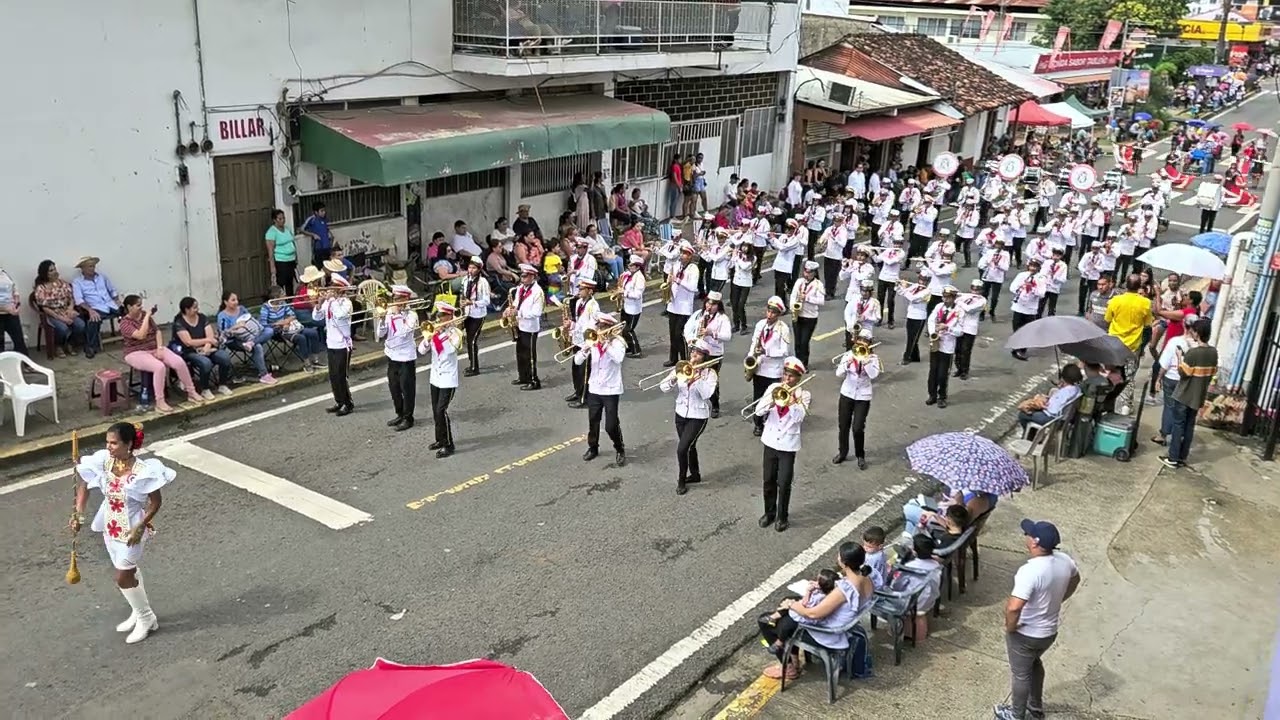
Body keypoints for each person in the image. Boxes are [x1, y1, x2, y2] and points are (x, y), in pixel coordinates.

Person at [70, 422, 176, 644]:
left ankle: (147, 618)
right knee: (129, 572)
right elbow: (83, 485)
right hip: (110, 527)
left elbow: (155, 502)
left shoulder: (144, 471)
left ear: (129, 445)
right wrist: (79, 514)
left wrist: (141, 526)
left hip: (131, 530)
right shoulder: (104, 462)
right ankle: (138, 612)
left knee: (122, 576)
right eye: (107, 442)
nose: (109, 447)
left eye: (114, 443)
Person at [994, 520, 1081, 720]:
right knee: (1034, 664)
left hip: (1026, 633)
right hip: (1049, 632)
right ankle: (1035, 707)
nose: (1026, 536)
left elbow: (1014, 607)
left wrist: (1010, 627)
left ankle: (1016, 715)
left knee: (1020, 674)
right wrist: (1060, 598)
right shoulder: (1064, 560)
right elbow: (1075, 579)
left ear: (1034, 542)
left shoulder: (1030, 571)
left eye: (1028, 534)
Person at [756, 543, 871, 680]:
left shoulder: (844, 590)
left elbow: (813, 614)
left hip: (827, 633)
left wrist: (792, 605)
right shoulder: (866, 578)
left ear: (844, 563)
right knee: (791, 605)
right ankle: (794, 660)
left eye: (839, 556)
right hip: (844, 623)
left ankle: (789, 667)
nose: (838, 558)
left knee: (768, 621)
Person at [119, 294, 202, 413]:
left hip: (153, 347)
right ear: (129, 307)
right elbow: (140, 335)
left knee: (179, 362)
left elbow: (157, 331)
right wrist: (147, 316)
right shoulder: (125, 323)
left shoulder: (144, 316)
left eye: (141, 305)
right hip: (136, 352)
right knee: (159, 367)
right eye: (138, 306)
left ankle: (191, 392)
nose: (141, 308)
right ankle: (160, 401)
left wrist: (159, 348)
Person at [754, 357, 810, 532]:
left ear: (798, 378)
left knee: (784, 482)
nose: (787, 379)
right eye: (785, 374)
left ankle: (782, 517)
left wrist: (791, 401)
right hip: (770, 441)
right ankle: (769, 513)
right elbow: (758, 411)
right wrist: (771, 400)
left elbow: (799, 418)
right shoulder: (773, 388)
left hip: (788, 444)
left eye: (791, 376)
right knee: (768, 480)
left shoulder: (803, 395)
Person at [660, 338, 718, 494]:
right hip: (680, 413)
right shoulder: (682, 367)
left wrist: (696, 379)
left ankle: (681, 480)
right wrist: (672, 380)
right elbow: (663, 387)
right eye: (693, 352)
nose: (694, 356)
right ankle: (695, 474)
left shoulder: (709, 374)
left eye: (698, 354)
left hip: (698, 416)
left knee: (682, 449)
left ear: (704, 357)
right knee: (689, 446)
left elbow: (707, 394)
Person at [1162, 319, 1217, 468]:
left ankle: (1173, 457)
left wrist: (1180, 357)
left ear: (1197, 333)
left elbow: (1183, 373)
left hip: (1185, 393)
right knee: (1189, 426)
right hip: (1198, 395)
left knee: (1178, 425)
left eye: (1193, 331)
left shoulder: (1193, 353)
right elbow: (1212, 372)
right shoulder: (1213, 352)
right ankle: (1182, 456)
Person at [575, 314, 627, 466]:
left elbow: (619, 359)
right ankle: (593, 447)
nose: (599, 329)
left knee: (611, 425)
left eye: (603, 327)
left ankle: (619, 448)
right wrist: (585, 350)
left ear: (610, 328)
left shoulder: (618, 343)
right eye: (598, 326)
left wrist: (606, 345)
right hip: (595, 388)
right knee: (593, 420)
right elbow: (577, 361)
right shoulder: (592, 341)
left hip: (611, 390)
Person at [419, 301, 464, 457]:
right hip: (435, 377)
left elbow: (450, 350)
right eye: (438, 315)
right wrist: (428, 338)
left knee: (441, 411)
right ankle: (439, 439)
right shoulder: (435, 332)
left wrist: (438, 336)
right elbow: (421, 350)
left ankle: (448, 444)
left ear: (449, 316)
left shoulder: (456, 333)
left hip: (448, 379)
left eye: (442, 316)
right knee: (435, 411)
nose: (438, 318)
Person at [833, 328, 880, 469]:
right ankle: (843, 452)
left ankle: (860, 455)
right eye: (860, 339)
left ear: (869, 343)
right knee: (843, 425)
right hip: (847, 393)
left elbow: (873, 375)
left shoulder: (873, 359)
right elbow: (838, 374)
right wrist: (848, 364)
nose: (862, 342)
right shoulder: (848, 355)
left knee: (858, 427)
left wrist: (865, 362)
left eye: (865, 341)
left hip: (863, 396)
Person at [747, 297, 792, 437]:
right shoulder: (760, 325)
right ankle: (758, 423)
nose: (769, 315)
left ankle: (769, 421)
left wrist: (767, 352)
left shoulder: (783, 329)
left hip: (774, 371)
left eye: (773, 313)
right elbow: (754, 343)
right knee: (758, 397)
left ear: (778, 314)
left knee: (770, 398)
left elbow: (785, 351)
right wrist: (750, 358)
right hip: (760, 367)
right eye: (768, 311)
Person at [682, 291, 732, 417]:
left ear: (718, 306)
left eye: (713, 305)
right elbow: (688, 327)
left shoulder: (722, 318)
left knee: (711, 379)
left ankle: (715, 404)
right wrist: (689, 339)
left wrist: (712, 333)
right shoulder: (699, 314)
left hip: (714, 353)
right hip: (698, 350)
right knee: (695, 375)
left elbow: (727, 336)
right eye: (708, 304)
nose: (709, 307)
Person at [377, 285, 420, 432]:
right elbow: (380, 334)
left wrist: (396, 316)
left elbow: (403, 334)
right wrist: (382, 320)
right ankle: (400, 413)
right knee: (394, 388)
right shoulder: (389, 313)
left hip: (406, 357)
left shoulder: (412, 316)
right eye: (393, 299)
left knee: (407, 389)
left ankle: (408, 417)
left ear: (405, 300)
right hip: (392, 356)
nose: (394, 302)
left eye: (397, 299)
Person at [172, 296, 233, 398]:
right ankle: (205, 388)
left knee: (224, 357)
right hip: (190, 351)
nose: (197, 309)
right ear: (187, 310)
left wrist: (207, 347)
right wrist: (208, 341)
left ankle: (223, 384)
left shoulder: (202, 318)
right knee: (205, 363)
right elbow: (188, 342)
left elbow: (210, 335)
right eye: (194, 308)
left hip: (207, 348)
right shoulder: (179, 323)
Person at [70, 256, 122, 359]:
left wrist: (117, 301)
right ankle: (91, 347)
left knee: (130, 309)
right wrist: (90, 310)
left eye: (93, 266)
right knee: (93, 320)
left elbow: (112, 290)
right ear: (82, 268)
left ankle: (135, 338)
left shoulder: (102, 277)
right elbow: (79, 300)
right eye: (89, 266)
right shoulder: (77, 282)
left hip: (110, 304)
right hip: (96, 307)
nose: (92, 268)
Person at [317, 276, 355, 415]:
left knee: (341, 375)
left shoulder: (346, 303)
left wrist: (331, 301)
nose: (330, 290)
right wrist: (319, 304)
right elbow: (317, 317)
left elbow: (339, 315)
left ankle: (347, 403)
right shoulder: (329, 303)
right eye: (330, 287)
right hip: (331, 342)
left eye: (334, 287)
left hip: (342, 344)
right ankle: (339, 401)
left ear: (341, 289)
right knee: (333, 375)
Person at [32, 260, 84, 356]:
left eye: (55, 269)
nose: (54, 272)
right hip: (52, 314)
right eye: (51, 270)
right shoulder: (41, 288)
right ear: (45, 273)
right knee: (63, 328)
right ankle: (58, 346)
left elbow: (71, 298)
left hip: (66, 310)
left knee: (80, 325)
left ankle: (70, 343)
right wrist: (61, 318)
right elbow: (44, 308)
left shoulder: (63, 283)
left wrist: (70, 309)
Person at [508, 265, 544, 391]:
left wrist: (519, 313)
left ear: (532, 277)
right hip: (520, 325)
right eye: (522, 276)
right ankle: (523, 376)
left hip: (530, 327)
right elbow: (517, 302)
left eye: (525, 276)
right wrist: (511, 308)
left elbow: (536, 312)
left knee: (530, 355)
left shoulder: (538, 292)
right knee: (520, 353)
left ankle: (534, 380)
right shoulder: (520, 289)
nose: (522, 279)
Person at [566, 278, 601, 408]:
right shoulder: (579, 302)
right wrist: (571, 325)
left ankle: (584, 398)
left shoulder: (593, 306)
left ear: (590, 291)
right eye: (579, 288)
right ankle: (577, 391)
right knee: (575, 369)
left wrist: (588, 343)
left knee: (584, 372)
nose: (579, 291)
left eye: (582, 289)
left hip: (586, 342)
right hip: (577, 340)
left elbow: (594, 324)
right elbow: (579, 321)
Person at [665, 242, 701, 367]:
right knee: (672, 334)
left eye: (685, 254)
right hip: (673, 304)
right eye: (681, 253)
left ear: (690, 256)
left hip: (684, 307)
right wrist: (669, 283)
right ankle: (673, 358)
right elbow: (672, 281)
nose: (682, 256)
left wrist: (678, 280)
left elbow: (693, 287)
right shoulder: (676, 266)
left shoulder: (693, 269)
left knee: (679, 334)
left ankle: (685, 360)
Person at [925, 287, 962, 408]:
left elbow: (960, 331)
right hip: (936, 343)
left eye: (948, 297)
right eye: (944, 297)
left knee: (942, 374)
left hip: (947, 346)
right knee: (933, 372)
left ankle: (942, 397)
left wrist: (947, 328)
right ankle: (932, 395)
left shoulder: (959, 311)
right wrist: (933, 333)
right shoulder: (939, 307)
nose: (945, 299)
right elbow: (931, 320)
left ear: (953, 298)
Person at [1017, 364, 1083, 430]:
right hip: (1063, 418)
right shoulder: (1077, 389)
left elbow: (1053, 411)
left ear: (1063, 377)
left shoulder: (1064, 392)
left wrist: (1043, 405)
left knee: (1022, 415)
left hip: (1050, 419)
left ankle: (1029, 435)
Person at [788, 260, 825, 366]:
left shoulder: (818, 285)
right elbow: (793, 295)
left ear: (814, 273)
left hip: (810, 317)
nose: (806, 274)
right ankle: (797, 363)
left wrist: (807, 298)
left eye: (809, 273)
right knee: (797, 342)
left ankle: (804, 363)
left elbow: (821, 301)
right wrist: (792, 308)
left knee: (804, 342)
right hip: (798, 315)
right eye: (805, 272)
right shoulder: (799, 282)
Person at [1105, 274, 1154, 354]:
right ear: (1139, 286)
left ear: (1126, 285)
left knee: (1111, 365)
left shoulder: (1115, 300)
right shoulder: (1146, 303)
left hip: (1114, 341)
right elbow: (1147, 323)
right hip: (1133, 345)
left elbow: (1107, 319)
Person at [1008, 260, 1045, 361]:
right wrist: (1021, 287)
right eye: (1031, 266)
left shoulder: (1040, 278)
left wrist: (1032, 289)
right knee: (1016, 328)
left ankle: (1022, 350)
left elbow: (1042, 293)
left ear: (1038, 268)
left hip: (1030, 308)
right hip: (1019, 306)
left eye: (1035, 267)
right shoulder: (1022, 275)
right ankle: (1016, 348)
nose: (1032, 269)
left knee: (1026, 329)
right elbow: (1012, 287)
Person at [460, 257, 490, 377]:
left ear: (479, 269)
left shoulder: (483, 282)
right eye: (469, 267)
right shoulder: (465, 280)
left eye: (474, 268)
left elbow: (487, 301)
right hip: (467, 313)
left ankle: (474, 367)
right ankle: (471, 363)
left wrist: (472, 303)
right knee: (468, 340)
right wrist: (462, 305)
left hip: (478, 314)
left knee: (472, 341)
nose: (471, 270)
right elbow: (462, 294)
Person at [618, 254, 647, 358]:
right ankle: (629, 347)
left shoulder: (639, 278)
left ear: (637, 267)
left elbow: (637, 295)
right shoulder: (630, 275)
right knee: (623, 328)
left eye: (631, 266)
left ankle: (636, 350)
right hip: (626, 306)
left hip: (633, 308)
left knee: (628, 330)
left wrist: (624, 293)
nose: (629, 267)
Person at [265, 208, 299, 295]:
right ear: (274, 220)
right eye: (280, 219)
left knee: (290, 282)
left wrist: (296, 257)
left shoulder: (287, 229)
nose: (282, 221)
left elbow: (292, 242)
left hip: (291, 260)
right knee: (281, 282)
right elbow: (270, 250)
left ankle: (290, 302)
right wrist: (272, 267)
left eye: (283, 218)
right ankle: (280, 300)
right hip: (281, 261)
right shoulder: (271, 232)